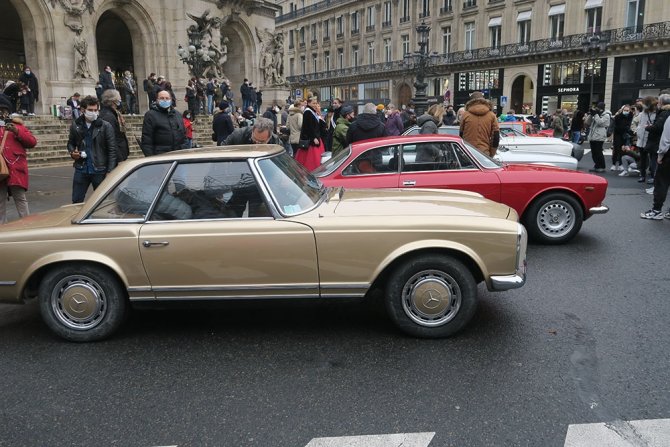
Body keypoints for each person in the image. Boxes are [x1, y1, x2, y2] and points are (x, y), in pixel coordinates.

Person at [66, 95, 117, 203]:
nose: (93, 112)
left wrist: (110, 170)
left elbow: (112, 149)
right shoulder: (76, 125)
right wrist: (72, 152)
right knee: (76, 200)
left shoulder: (105, 126)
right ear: (83, 110)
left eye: (95, 110)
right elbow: (70, 143)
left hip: (100, 169)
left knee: (102, 202)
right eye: (90, 110)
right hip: (81, 168)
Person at [0, 96, 38, 224]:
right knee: (0, 200)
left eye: (3, 110)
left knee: (20, 198)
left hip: (16, 168)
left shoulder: (17, 126)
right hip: (0, 168)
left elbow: (32, 142)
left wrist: (16, 131)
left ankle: (26, 225)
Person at [641, 109, 670, 219]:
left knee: (661, 182)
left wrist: (660, 154)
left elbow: (666, 139)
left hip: (668, 155)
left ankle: (657, 210)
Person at [140, 90, 188, 156]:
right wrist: (151, 158)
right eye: (162, 98)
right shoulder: (150, 115)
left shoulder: (177, 114)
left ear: (171, 100)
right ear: (157, 100)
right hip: (161, 156)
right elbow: (147, 140)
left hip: (178, 155)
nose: (165, 100)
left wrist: (184, 150)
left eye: (167, 98)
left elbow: (184, 136)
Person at [459, 91, 500, 157]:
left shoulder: (465, 115)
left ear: (470, 101)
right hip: (484, 152)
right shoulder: (491, 115)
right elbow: (495, 137)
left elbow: (461, 134)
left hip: (468, 152)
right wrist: (491, 154)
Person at [643, 93, 670, 186]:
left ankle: (656, 183)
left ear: (661, 102)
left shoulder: (664, 113)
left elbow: (658, 127)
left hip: (657, 142)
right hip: (659, 142)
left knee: (656, 163)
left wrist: (648, 127)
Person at [295, 95, 327, 170]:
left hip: (315, 137)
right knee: (311, 159)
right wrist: (313, 138)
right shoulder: (308, 112)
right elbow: (309, 127)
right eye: (313, 103)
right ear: (309, 103)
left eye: (316, 103)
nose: (315, 105)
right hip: (311, 139)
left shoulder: (312, 112)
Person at [98, 89, 130, 162]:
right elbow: (111, 140)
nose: (120, 102)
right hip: (116, 157)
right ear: (113, 101)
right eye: (119, 99)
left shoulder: (114, 114)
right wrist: (119, 158)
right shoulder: (108, 116)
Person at [584, 102, 611, 172]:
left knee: (598, 152)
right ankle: (596, 165)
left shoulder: (606, 115)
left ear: (602, 109)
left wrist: (595, 115)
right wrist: (591, 114)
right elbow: (587, 123)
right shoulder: (596, 114)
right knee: (594, 153)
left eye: (598, 108)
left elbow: (600, 123)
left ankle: (601, 166)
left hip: (600, 136)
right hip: (593, 135)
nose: (597, 109)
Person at [636, 96, 657, 183]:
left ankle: (653, 176)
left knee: (653, 159)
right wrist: (638, 132)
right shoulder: (642, 113)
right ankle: (642, 175)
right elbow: (639, 124)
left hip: (651, 139)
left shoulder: (656, 113)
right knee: (643, 158)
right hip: (641, 139)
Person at [611, 105, 633, 171]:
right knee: (616, 149)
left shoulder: (630, 116)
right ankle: (614, 164)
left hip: (625, 135)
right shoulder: (618, 116)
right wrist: (625, 128)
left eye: (627, 110)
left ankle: (621, 164)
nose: (626, 112)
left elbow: (629, 125)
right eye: (625, 110)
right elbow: (616, 127)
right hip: (618, 135)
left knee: (623, 151)